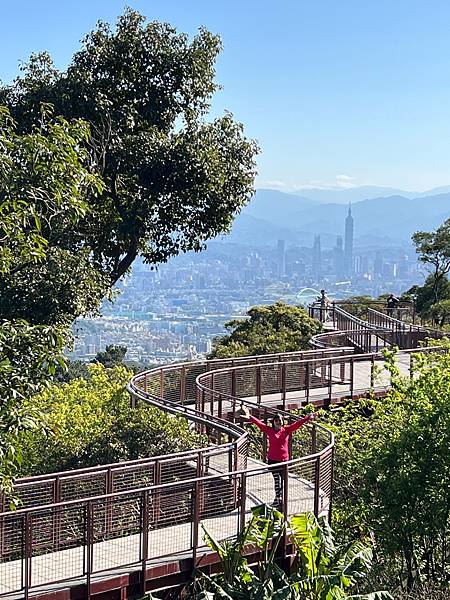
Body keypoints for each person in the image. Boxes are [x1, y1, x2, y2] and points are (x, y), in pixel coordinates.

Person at [241, 407, 317, 505]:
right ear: (273, 422)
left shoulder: (286, 430)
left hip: (284, 460)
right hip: (273, 460)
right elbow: (259, 424)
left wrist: (308, 418)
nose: (278, 422)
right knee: (277, 479)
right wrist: (250, 417)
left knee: (282, 481)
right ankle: (278, 498)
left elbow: (298, 424)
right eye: (276, 420)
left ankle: (279, 499)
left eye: (280, 420)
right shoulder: (269, 430)